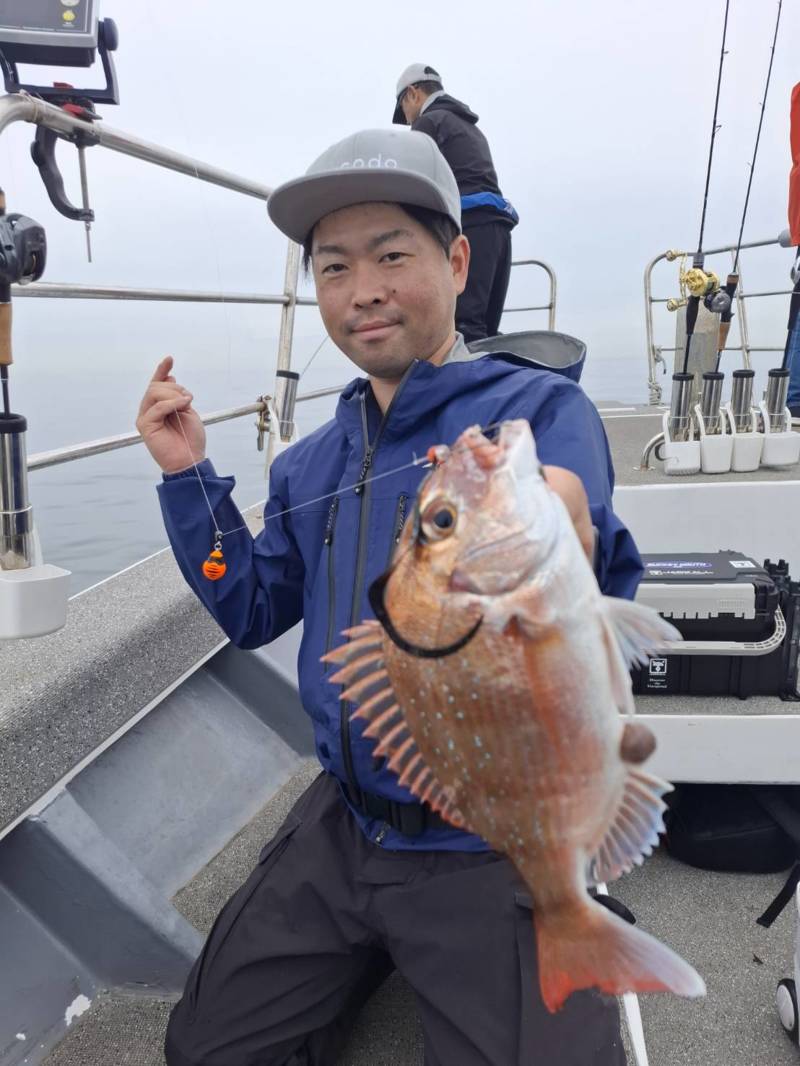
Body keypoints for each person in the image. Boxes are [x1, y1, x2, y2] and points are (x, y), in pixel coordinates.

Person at [137, 126, 641, 1066]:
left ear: (457, 261)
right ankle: (369, 946)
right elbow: (250, 608)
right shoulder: (309, 462)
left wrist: (549, 521)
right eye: (332, 267)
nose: (361, 289)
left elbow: (577, 527)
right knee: (206, 1052)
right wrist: (188, 478)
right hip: (346, 822)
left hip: (491, 831)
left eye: (390, 255)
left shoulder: (540, 415)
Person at [392, 63, 518, 345]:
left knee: (464, 325)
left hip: (470, 227)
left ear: (412, 93)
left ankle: (463, 387)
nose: (408, 117)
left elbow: (413, 180)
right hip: (498, 228)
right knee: (486, 324)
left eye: (404, 108)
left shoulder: (429, 123)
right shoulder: (469, 126)